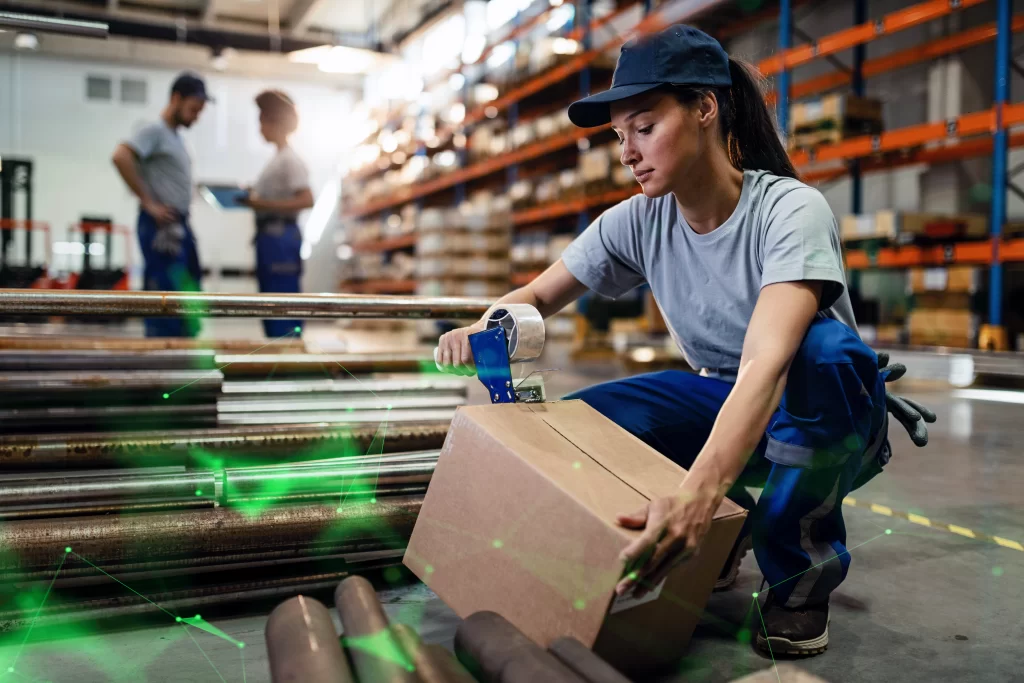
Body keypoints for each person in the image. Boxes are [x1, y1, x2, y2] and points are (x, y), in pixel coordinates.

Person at [435, 26, 934, 657]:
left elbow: (765, 364)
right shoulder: (638, 221)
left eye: (643, 127)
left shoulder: (789, 210)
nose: (627, 152)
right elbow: (534, 296)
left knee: (824, 352)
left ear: (705, 108)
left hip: (822, 415)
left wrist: (697, 494)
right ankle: (729, 531)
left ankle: (798, 580)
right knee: (589, 419)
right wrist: (488, 324)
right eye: (619, 136)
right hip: (730, 405)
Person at [112, 72, 210, 338]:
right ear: (176, 99)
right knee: (166, 299)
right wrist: (149, 202)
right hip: (161, 228)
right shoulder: (154, 130)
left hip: (180, 226)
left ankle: (183, 360)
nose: (196, 117)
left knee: (188, 298)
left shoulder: (177, 138)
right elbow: (121, 156)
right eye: (193, 109)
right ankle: (163, 360)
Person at [236, 90, 313, 338]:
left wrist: (262, 204)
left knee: (283, 306)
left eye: (262, 121)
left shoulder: (290, 160)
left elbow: (306, 198)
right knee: (272, 305)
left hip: (281, 239)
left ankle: (287, 360)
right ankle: (277, 359)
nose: (259, 128)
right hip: (271, 240)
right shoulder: (277, 159)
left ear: (275, 122)